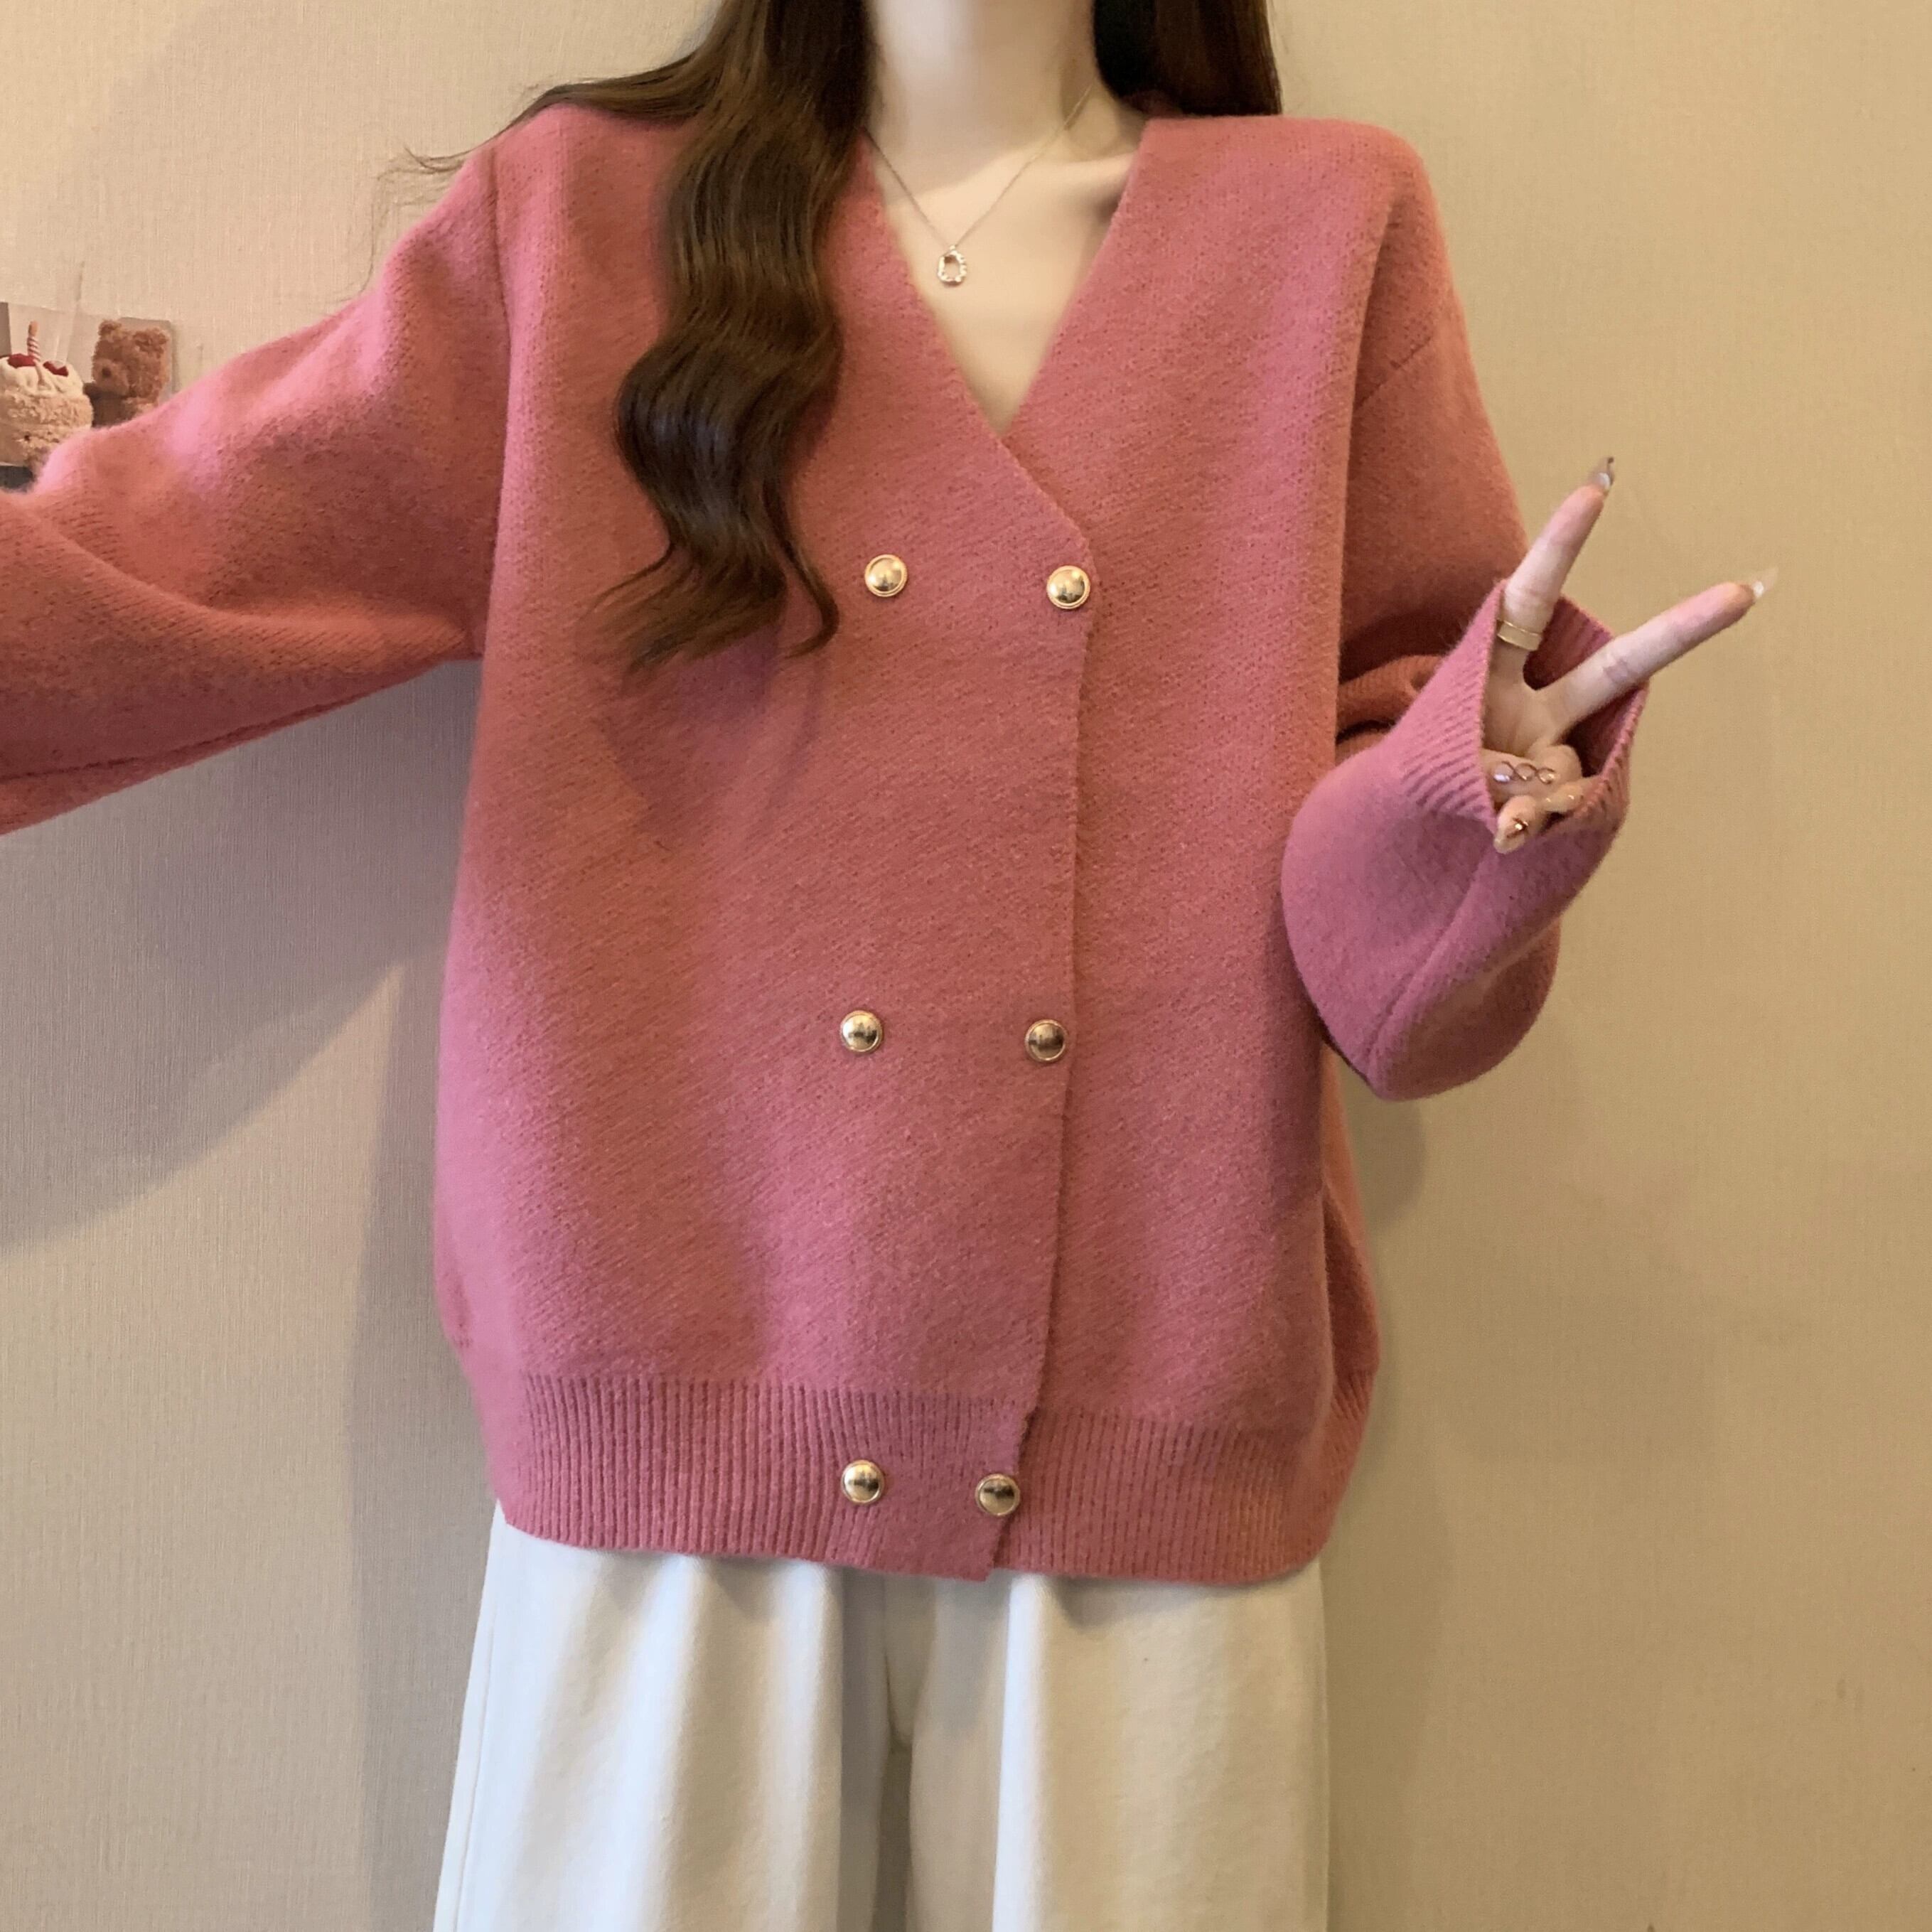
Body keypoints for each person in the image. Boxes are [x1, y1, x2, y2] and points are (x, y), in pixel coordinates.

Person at [0, 2, 1769, 1927]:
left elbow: (1392, 982)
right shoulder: (584, 221)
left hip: (1145, 1431)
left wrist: (1466, 803)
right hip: (671, 1421)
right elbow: (166, 565)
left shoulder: (1327, 231)